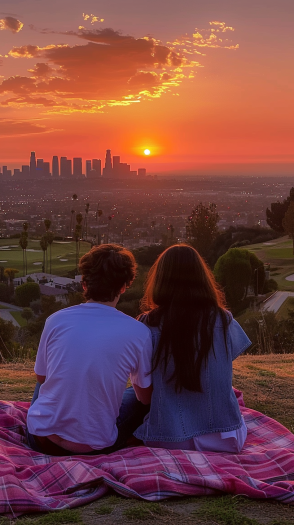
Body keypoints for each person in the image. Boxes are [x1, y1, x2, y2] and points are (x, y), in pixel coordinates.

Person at [26, 244, 153, 456]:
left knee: (46, 381)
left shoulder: (56, 320)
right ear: (124, 286)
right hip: (94, 446)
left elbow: (41, 377)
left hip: (41, 439)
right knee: (138, 397)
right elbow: (146, 399)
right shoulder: (138, 332)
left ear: (84, 284)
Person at [134, 244, 251, 453]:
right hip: (226, 438)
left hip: (169, 438)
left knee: (129, 397)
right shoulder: (224, 320)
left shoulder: (147, 325)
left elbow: (144, 398)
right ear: (202, 278)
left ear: (160, 279)